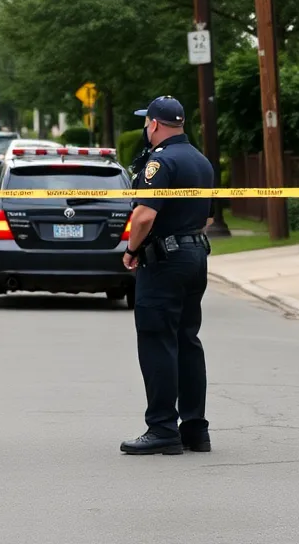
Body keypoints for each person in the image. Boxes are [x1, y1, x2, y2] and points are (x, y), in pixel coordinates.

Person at [120, 96, 214, 455]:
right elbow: (207, 217)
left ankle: (162, 428)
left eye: (147, 122)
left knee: (158, 339)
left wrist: (132, 250)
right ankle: (195, 429)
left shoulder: (160, 162)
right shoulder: (200, 160)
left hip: (165, 259)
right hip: (195, 255)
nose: (146, 128)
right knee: (187, 340)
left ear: (155, 124)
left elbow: (144, 215)